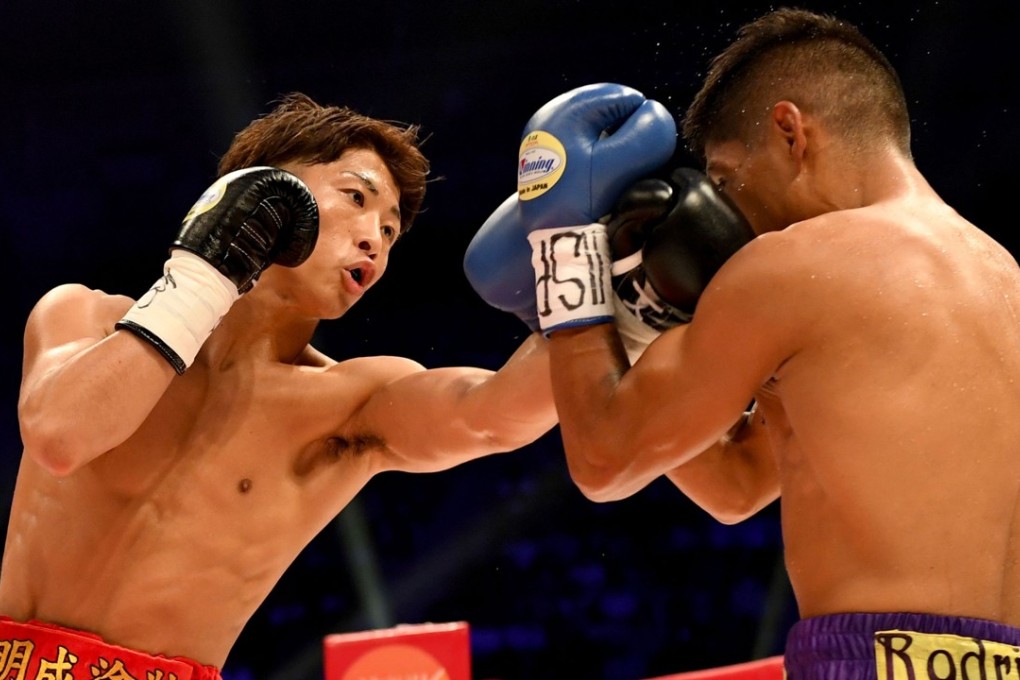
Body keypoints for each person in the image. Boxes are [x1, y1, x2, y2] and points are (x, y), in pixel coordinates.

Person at [471, 8, 1020, 679]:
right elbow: (737, 484)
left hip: (873, 659)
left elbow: (606, 458)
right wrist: (636, 329)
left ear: (790, 132)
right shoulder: (1002, 276)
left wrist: (566, 259)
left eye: (727, 180)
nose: (730, 218)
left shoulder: (795, 265)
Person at [0, 91, 569, 680]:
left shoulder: (350, 403)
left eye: (391, 231)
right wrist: (204, 277)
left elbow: (496, 414)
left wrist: (587, 282)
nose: (375, 237)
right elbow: (61, 438)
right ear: (266, 188)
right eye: (356, 198)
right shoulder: (83, 316)